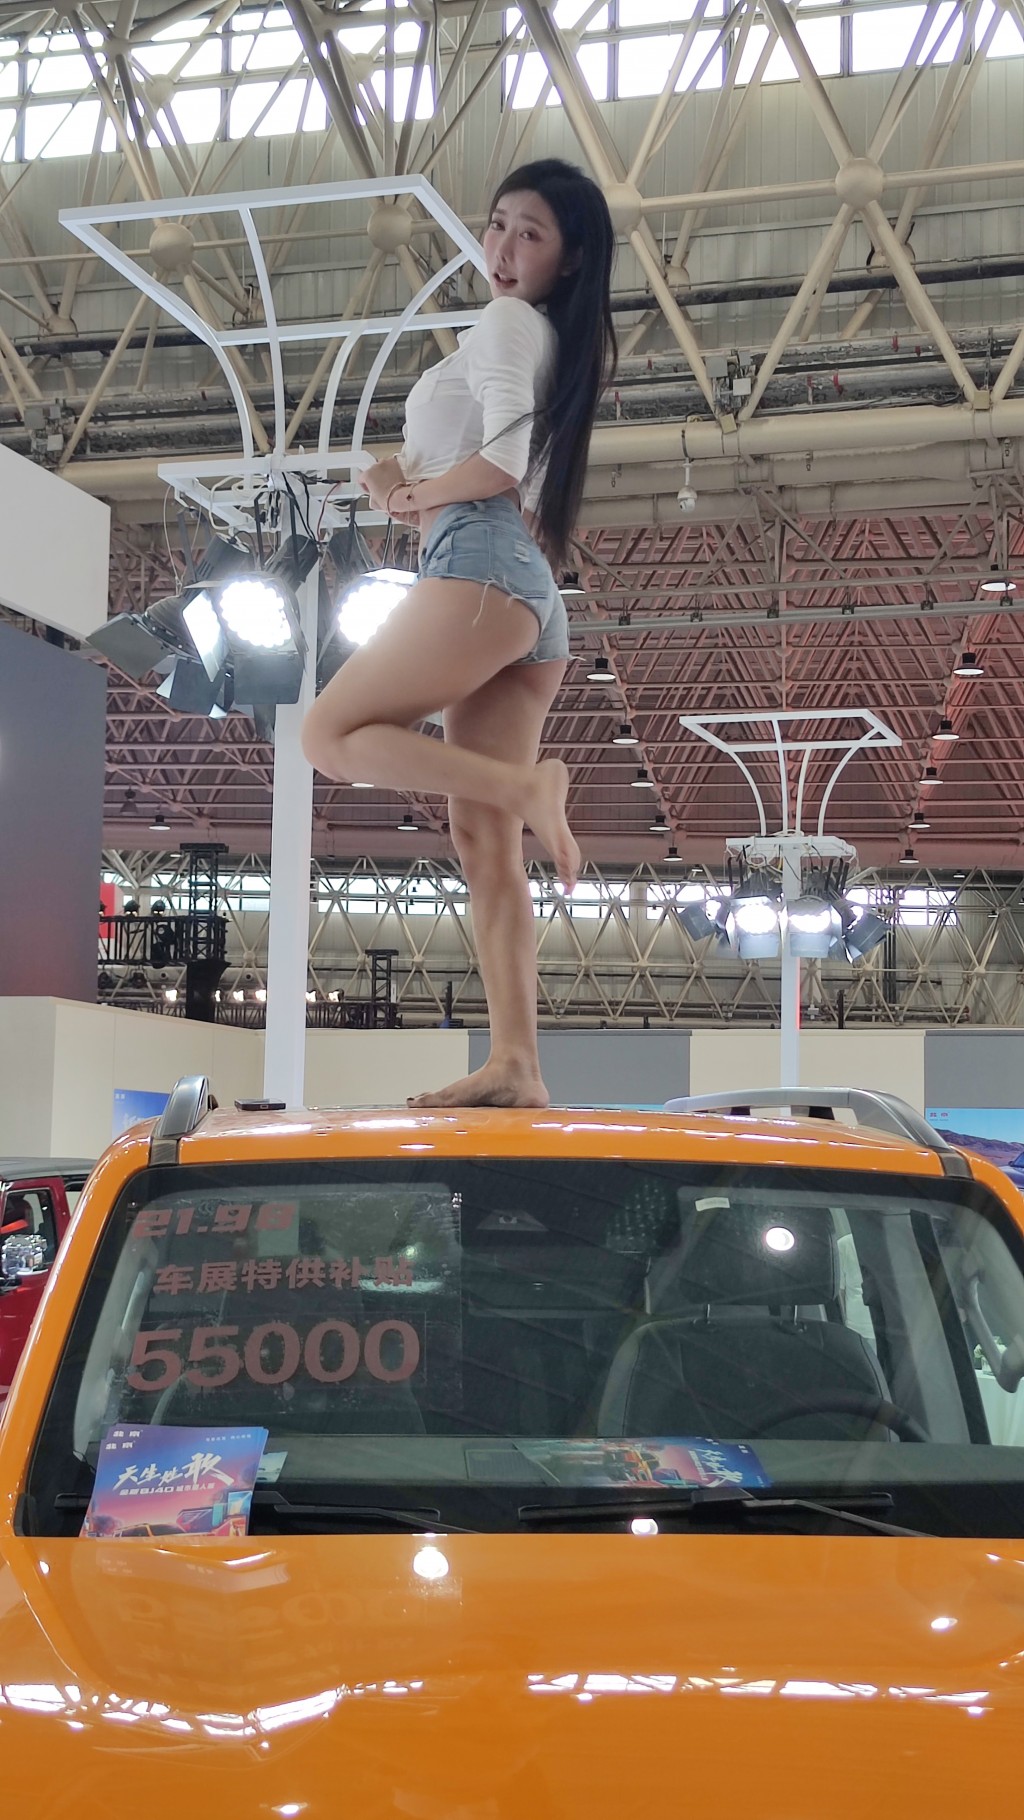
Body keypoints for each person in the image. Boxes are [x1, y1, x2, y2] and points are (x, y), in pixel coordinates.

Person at [302, 158, 616, 1108]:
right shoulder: (539, 338)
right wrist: (399, 483)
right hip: (515, 585)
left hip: (481, 563)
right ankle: (516, 1062)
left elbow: (502, 464)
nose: (504, 247)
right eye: (497, 224)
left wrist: (414, 495)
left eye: (531, 233)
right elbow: (468, 462)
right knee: (484, 841)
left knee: (327, 735)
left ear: (568, 259)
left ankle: (527, 787)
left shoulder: (509, 323)